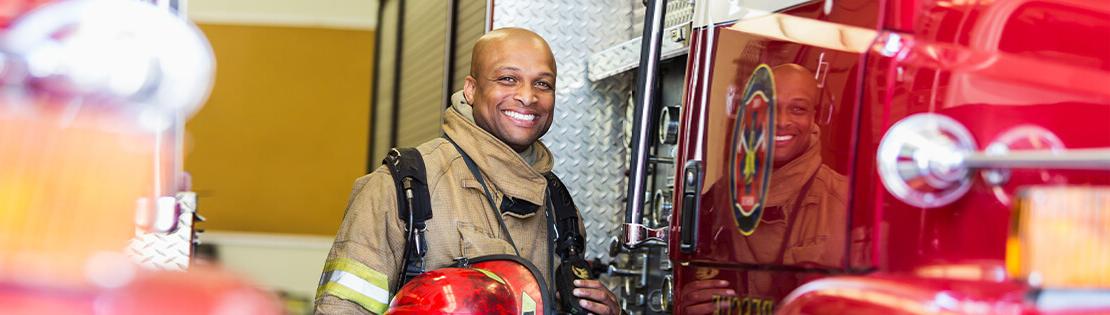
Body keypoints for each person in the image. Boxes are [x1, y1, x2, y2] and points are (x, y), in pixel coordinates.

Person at [314, 27, 620, 315]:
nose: (528, 96)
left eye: (543, 83)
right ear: (471, 89)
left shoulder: (559, 205)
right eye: (507, 79)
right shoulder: (403, 187)